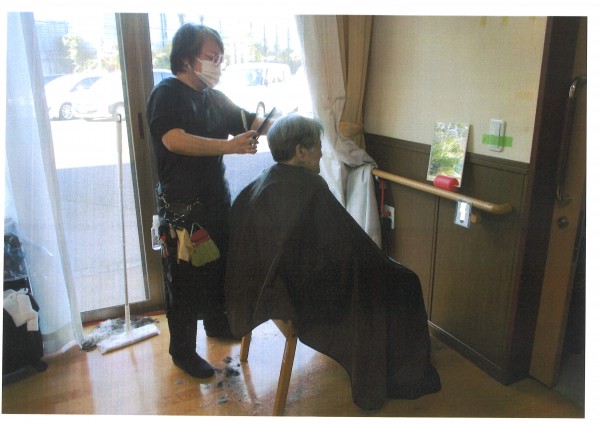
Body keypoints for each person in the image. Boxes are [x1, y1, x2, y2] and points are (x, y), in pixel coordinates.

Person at [224, 114, 441, 410]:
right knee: (405, 282)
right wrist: (377, 263)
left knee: (387, 277)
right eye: (317, 146)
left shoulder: (265, 180)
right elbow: (347, 248)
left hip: (274, 285)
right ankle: (402, 369)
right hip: (304, 294)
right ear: (300, 151)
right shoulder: (310, 190)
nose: (322, 153)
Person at [146, 23, 271, 379]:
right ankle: (183, 352)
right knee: (184, 281)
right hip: (182, 209)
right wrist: (229, 146)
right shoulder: (166, 94)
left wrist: (281, 126)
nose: (217, 64)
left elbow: (251, 120)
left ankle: (217, 324)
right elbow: (173, 140)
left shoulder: (214, 97)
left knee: (219, 267)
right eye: (211, 57)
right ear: (187, 58)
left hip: (216, 199)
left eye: (220, 59)